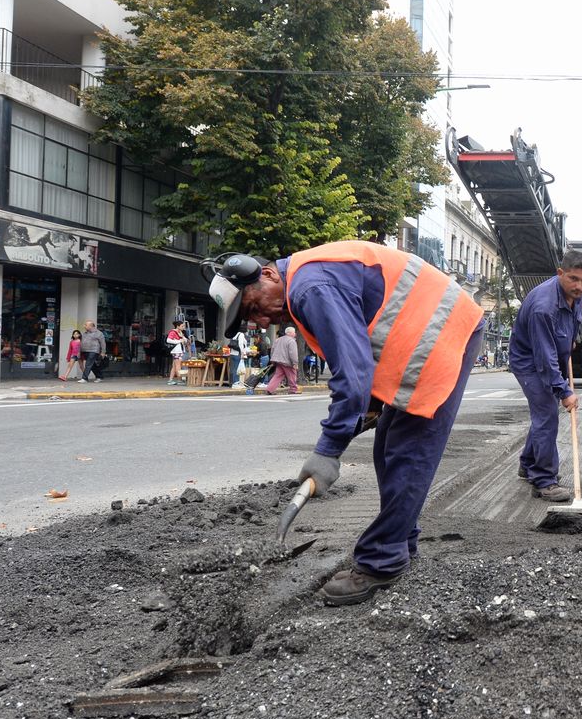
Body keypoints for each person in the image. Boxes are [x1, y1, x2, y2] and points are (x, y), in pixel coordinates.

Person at [204, 240, 484, 605]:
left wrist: (329, 450)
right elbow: (362, 349)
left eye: (254, 307)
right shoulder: (307, 279)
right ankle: (401, 541)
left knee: (408, 450)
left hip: (442, 333)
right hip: (427, 334)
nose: (261, 321)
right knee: (388, 448)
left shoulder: (310, 288)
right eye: (250, 318)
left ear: (269, 275)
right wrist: (370, 408)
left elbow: (352, 376)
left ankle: (382, 561)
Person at [509, 250, 582, 503]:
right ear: (560, 273)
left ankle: (528, 464)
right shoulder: (543, 307)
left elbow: (574, 321)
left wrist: (571, 340)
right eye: (574, 279)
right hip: (529, 362)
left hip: (550, 354)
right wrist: (564, 391)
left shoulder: (577, 295)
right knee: (547, 415)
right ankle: (543, 480)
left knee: (544, 414)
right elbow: (544, 358)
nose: (579, 286)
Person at [266, 326, 302, 395]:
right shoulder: (291, 341)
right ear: (290, 333)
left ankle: (270, 389)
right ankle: (293, 390)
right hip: (287, 362)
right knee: (292, 375)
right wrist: (295, 363)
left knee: (277, 376)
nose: (295, 334)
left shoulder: (278, 340)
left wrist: (273, 360)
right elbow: (293, 353)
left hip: (278, 361)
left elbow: (272, 350)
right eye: (294, 332)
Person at [165, 320, 188, 385]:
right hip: (176, 351)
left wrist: (182, 337)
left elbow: (186, 340)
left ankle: (170, 380)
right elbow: (168, 340)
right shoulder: (173, 332)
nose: (183, 327)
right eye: (182, 326)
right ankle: (179, 380)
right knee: (178, 365)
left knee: (175, 366)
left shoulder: (180, 332)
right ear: (178, 326)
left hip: (179, 351)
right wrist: (179, 341)